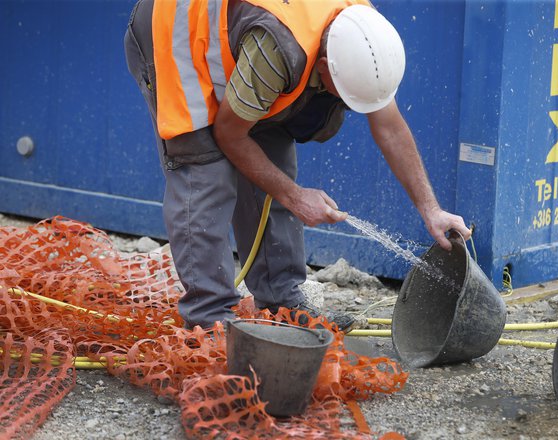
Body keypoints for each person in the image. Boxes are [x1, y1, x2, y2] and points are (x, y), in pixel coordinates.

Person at [124, 0, 471, 332]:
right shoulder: (277, 51)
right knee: (205, 175)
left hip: (244, 45)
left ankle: (282, 301)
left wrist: (431, 209)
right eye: (343, 95)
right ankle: (209, 318)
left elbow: (391, 128)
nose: (346, 105)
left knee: (274, 164)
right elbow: (230, 135)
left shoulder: (364, 37)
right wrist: (294, 197)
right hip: (176, 32)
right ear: (323, 67)